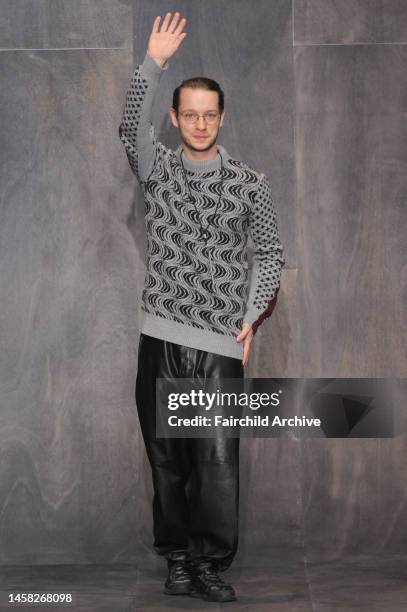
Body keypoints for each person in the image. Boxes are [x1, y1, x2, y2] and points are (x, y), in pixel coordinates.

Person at [119, 11, 285, 603]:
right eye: (188, 113)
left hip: (218, 347)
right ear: (175, 117)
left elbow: (269, 253)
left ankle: (210, 565)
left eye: (208, 114)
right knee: (166, 461)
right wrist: (152, 64)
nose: (198, 122)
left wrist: (249, 316)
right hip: (159, 339)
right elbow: (127, 131)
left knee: (215, 466)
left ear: (222, 118)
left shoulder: (249, 183)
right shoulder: (158, 171)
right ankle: (178, 563)